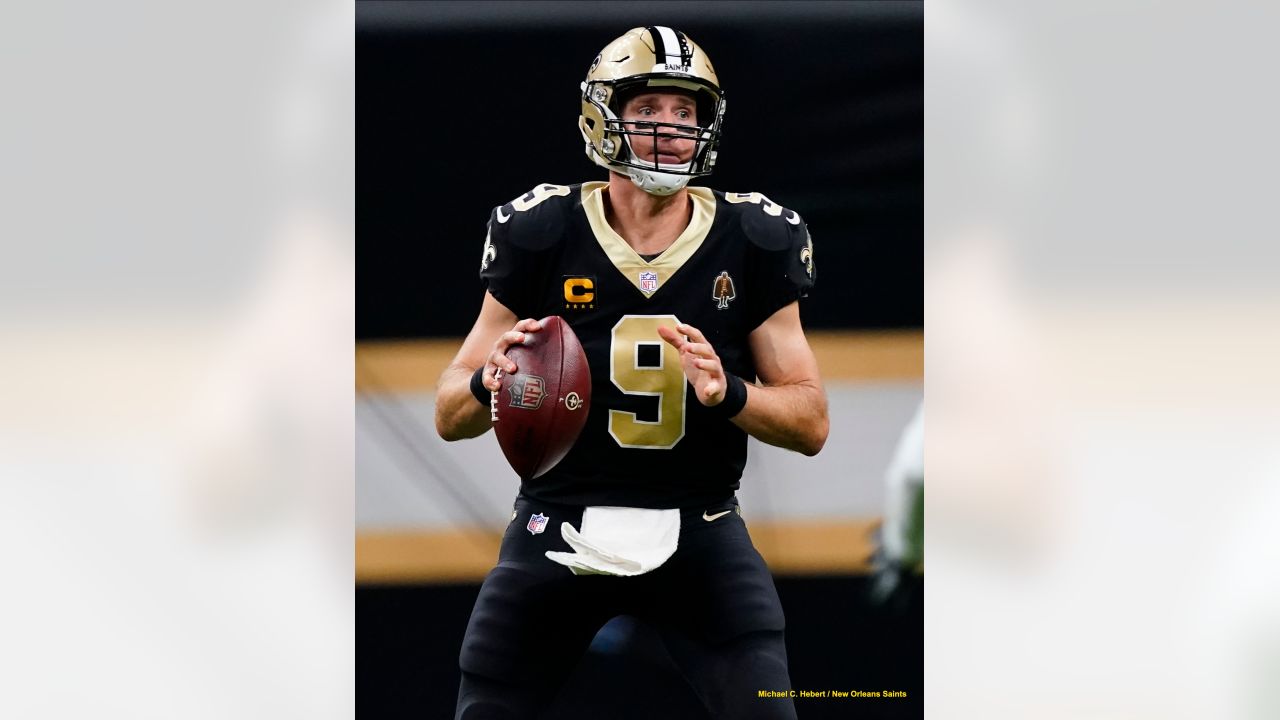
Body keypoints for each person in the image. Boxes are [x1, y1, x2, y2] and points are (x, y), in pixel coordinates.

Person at [435, 26, 828, 719]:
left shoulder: (756, 237)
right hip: (556, 524)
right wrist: (484, 382)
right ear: (603, 116)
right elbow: (448, 414)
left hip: (699, 526)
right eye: (650, 109)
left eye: (688, 113)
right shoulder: (543, 229)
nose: (671, 130)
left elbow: (810, 423)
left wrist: (730, 393)